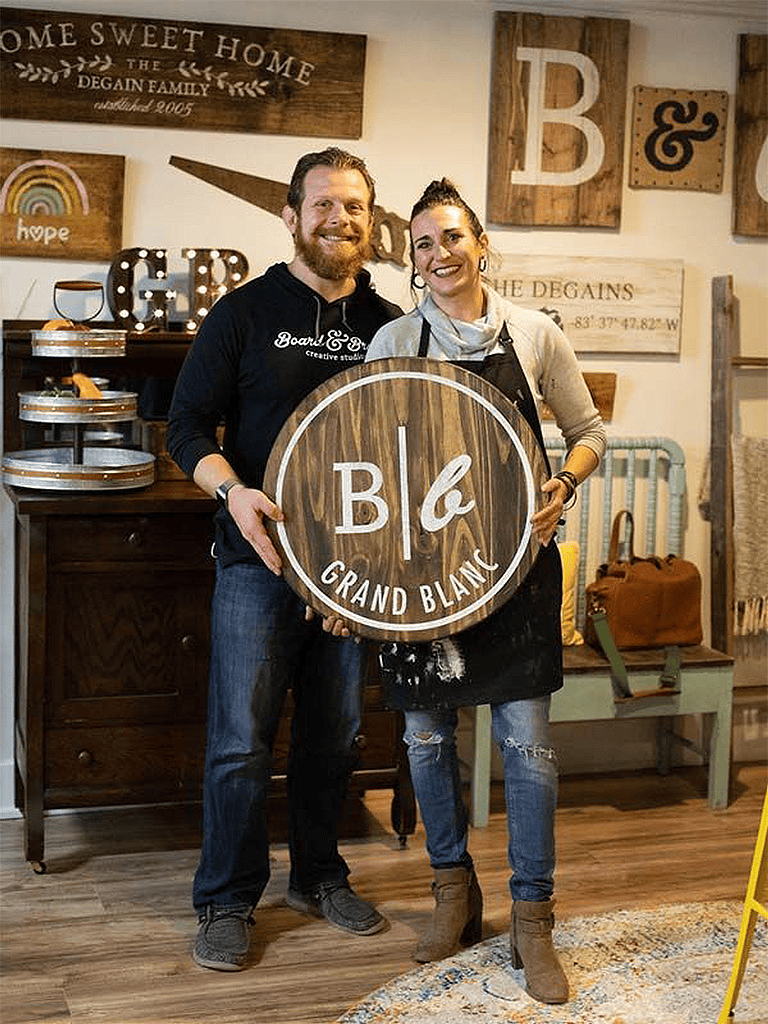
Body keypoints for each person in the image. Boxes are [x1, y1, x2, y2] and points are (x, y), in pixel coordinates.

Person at [364, 178, 606, 1005]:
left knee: (528, 753)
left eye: (454, 237)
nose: (440, 254)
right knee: (428, 741)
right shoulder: (393, 338)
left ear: (482, 244)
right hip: (421, 579)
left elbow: (587, 433)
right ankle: (452, 894)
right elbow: (363, 458)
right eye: (424, 244)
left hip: (513, 570)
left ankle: (532, 921)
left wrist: (563, 488)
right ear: (414, 260)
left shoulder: (535, 333)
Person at [166, 148, 402, 972]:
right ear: (291, 214)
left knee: (335, 736)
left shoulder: (393, 326)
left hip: (354, 573)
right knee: (240, 742)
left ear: (371, 221)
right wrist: (233, 492)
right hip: (257, 562)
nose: (340, 220)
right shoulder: (244, 312)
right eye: (325, 205)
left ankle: (317, 877)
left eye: (356, 207)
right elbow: (186, 424)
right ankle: (226, 899)